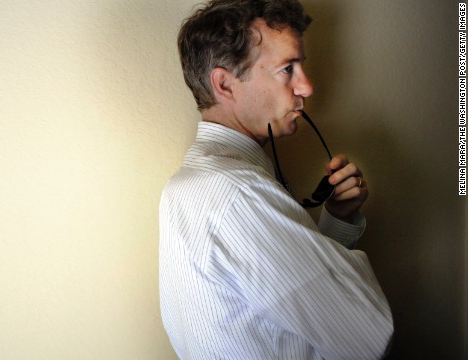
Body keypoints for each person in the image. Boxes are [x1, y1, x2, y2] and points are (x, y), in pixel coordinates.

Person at [158, 0, 394, 359]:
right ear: (225, 84)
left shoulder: (195, 184)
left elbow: (282, 310)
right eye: (287, 69)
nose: (307, 87)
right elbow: (368, 333)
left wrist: (337, 219)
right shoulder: (240, 195)